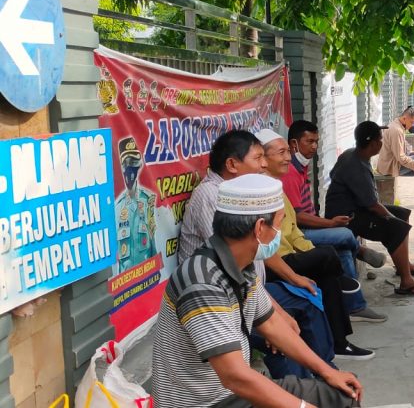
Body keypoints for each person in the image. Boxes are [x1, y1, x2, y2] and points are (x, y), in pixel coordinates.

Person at [152, 174, 362, 408]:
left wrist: (326, 371)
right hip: (209, 403)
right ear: (260, 227)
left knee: (343, 393)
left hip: (233, 395)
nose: (280, 232)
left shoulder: (242, 266)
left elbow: (271, 324)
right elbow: (234, 376)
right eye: (279, 223)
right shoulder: (202, 282)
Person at [179, 130, 374, 361]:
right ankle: (311, 376)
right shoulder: (212, 196)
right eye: (258, 158)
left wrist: (294, 279)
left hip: (250, 286)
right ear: (232, 164)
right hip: (225, 298)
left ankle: (326, 366)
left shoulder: (243, 190)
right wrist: (272, 316)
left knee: (308, 299)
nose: (263, 165)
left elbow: (258, 246)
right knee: (281, 337)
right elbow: (234, 262)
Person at [260, 129, 388, 325]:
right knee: (341, 238)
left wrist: (310, 249)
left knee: (340, 251)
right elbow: (289, 230)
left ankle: (353, 305)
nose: (288, 157)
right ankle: (357, 260)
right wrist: (329, 224)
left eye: (316, 141)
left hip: (295, 243)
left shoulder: (284, 178)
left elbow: (292, 229)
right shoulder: (274, 184)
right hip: (283, 254)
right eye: (282, 153)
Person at [325, 121, 414, 297]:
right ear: (374, 144)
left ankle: (403, 265)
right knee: (397, 226)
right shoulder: (356, 167)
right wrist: (392, 219)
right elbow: (374, 206)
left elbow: (335, 176)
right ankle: (406, 281)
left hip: (356, 208)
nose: (382, 143)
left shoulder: (352, 154)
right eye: (380, 140)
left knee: (402, 214)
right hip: (346, 218)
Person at [283, 120, 388, 270]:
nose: (314, 146)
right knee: (345, 234)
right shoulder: (290, 172)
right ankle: (361, 251)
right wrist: (330, 223)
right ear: (294, 144)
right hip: (299, 232)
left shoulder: (302, 166)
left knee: (343, 249)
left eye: (316, 141)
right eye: (310, 141)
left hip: (310, 227)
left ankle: (350, 284)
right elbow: (297, 216)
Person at [113, 136, 157, 274]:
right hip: (126, 281)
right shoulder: (117, 208)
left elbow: (153, 243)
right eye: (126, 164)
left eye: (133, 163)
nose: (129, 169)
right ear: (121, 167)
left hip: (146, 277)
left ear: (138, 166)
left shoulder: (148, 200)